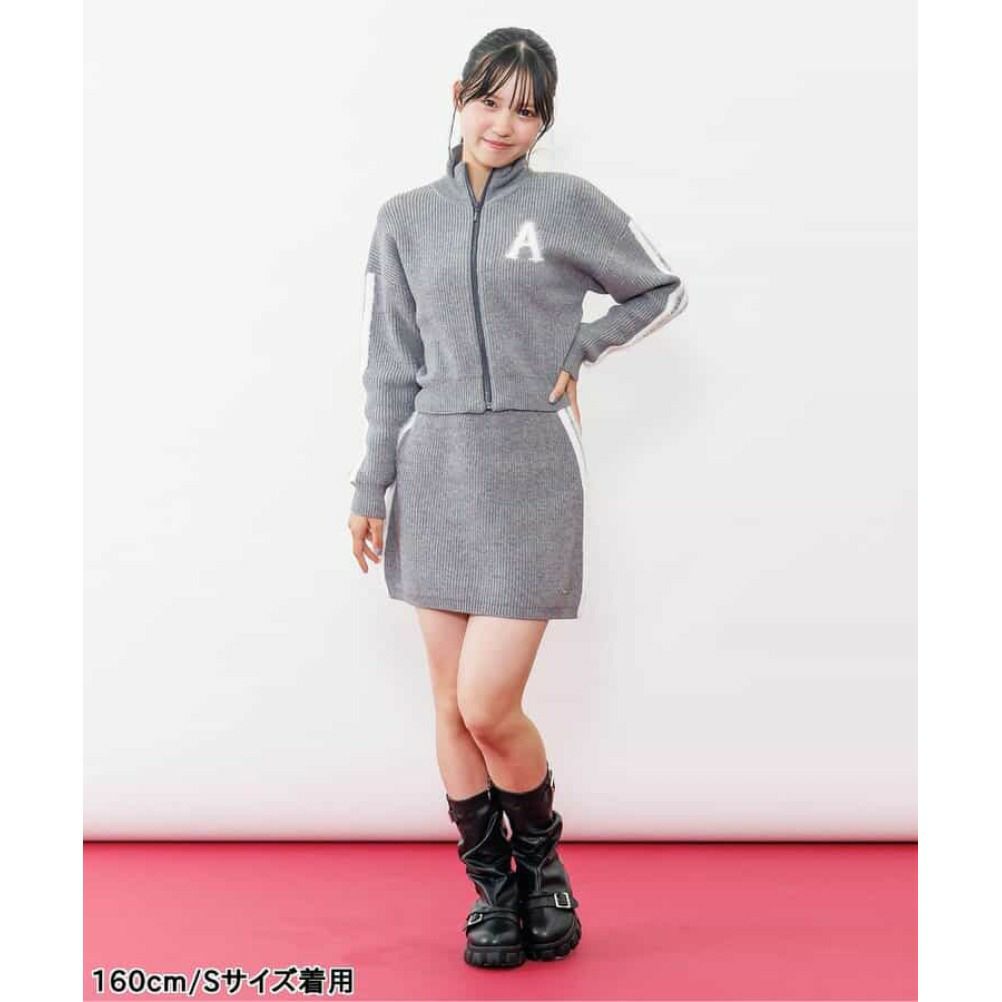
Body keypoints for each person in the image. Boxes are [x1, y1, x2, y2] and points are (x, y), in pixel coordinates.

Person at [346, 27, 688, 968]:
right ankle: (495, 896)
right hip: (434, 473)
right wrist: (371, 482)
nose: (504, 123)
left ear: (545, 122)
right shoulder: (403, 218)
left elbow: (659, 289)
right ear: (458, 96)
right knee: (449, 707)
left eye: (527, 111)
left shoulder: (566, 204)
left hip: (531, 473)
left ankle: (543, 871)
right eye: (490, 100)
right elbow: (389, 364)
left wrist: (581, 348)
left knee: (489, 704)